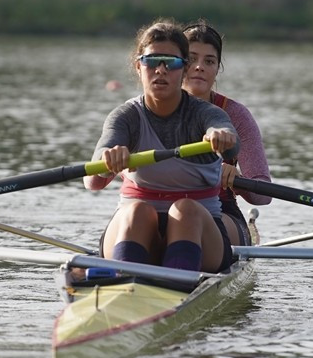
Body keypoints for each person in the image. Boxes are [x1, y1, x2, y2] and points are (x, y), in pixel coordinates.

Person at [85, 19, 239, 273]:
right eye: (153, 61)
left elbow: (230, 142)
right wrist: (108, 160)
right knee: (136, 211)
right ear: (138, 66)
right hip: (136, 228)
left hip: (200, 231)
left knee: (186, 208)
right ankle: (125, 286)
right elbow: (93, 179)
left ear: (184, 68)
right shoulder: (125, 116)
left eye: (172, 62)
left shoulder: (205, 113)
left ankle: (175, 286)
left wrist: (221, 137)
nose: (161, 70)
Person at [182, 19, 272, 245]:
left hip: (221, 212)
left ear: (217, 69)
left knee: (189, 222)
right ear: (177, 63)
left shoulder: (236, 114)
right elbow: (95, 183)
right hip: (162, 208)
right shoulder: (149, 109)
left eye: (209, 61)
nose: (199, 66)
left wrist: (237, 179)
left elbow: (263, 194)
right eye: (191, 59)